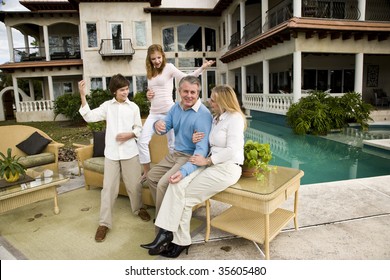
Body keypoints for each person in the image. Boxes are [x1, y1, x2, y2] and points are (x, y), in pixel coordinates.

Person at [141, 85, 246, 258]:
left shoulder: (235, 118)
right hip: (210, 164)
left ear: (223, 101)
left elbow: (232, 149)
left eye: (213, 99)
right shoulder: (216, 118)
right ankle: (166, 233)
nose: (209, 101)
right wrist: (194, 138)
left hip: (226, 168)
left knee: (184, 198)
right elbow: (207, 139)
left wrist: (207, 160)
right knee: (176, 184)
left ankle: (178, 240)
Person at [78, 74, 150, 243]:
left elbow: (139, 128)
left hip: (130, 152)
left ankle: (138, 208)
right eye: (122, 89)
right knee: (108, 189)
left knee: (134, 185)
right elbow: (89, 116)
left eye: (127, 88)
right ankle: (104, 224)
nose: (126, 92)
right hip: (111, 154)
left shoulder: (133, 107)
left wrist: (130, 134)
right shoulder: (107, 107)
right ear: (114, 91)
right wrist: (82, 95)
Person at [137, 44, 215, 180]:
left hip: (169, 110)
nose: (157, 61)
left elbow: (186, 78)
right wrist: (148, 95)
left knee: (172, 145)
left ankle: (177, 172)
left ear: (163, 56)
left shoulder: (169, 68)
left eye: (159, 57)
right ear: (149, 59)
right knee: (142, 141)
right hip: (154, 112)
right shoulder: (150, 73)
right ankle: (146, 171)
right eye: (153, 59)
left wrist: (202, 68)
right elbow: (152, 92)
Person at [143, 75, 213, 221]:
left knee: (163, 183)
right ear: (179, 91)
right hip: (175, 155)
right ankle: (167, 211)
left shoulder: (203, 115)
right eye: (185, 91)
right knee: (151, 177)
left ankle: (163, 223)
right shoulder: (176, 107)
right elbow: (164, 127)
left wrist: (184, 170)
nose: (189, 96)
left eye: (193, 92)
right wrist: (157, 126)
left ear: (198, 93)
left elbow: (201, 151)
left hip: (188, 157)